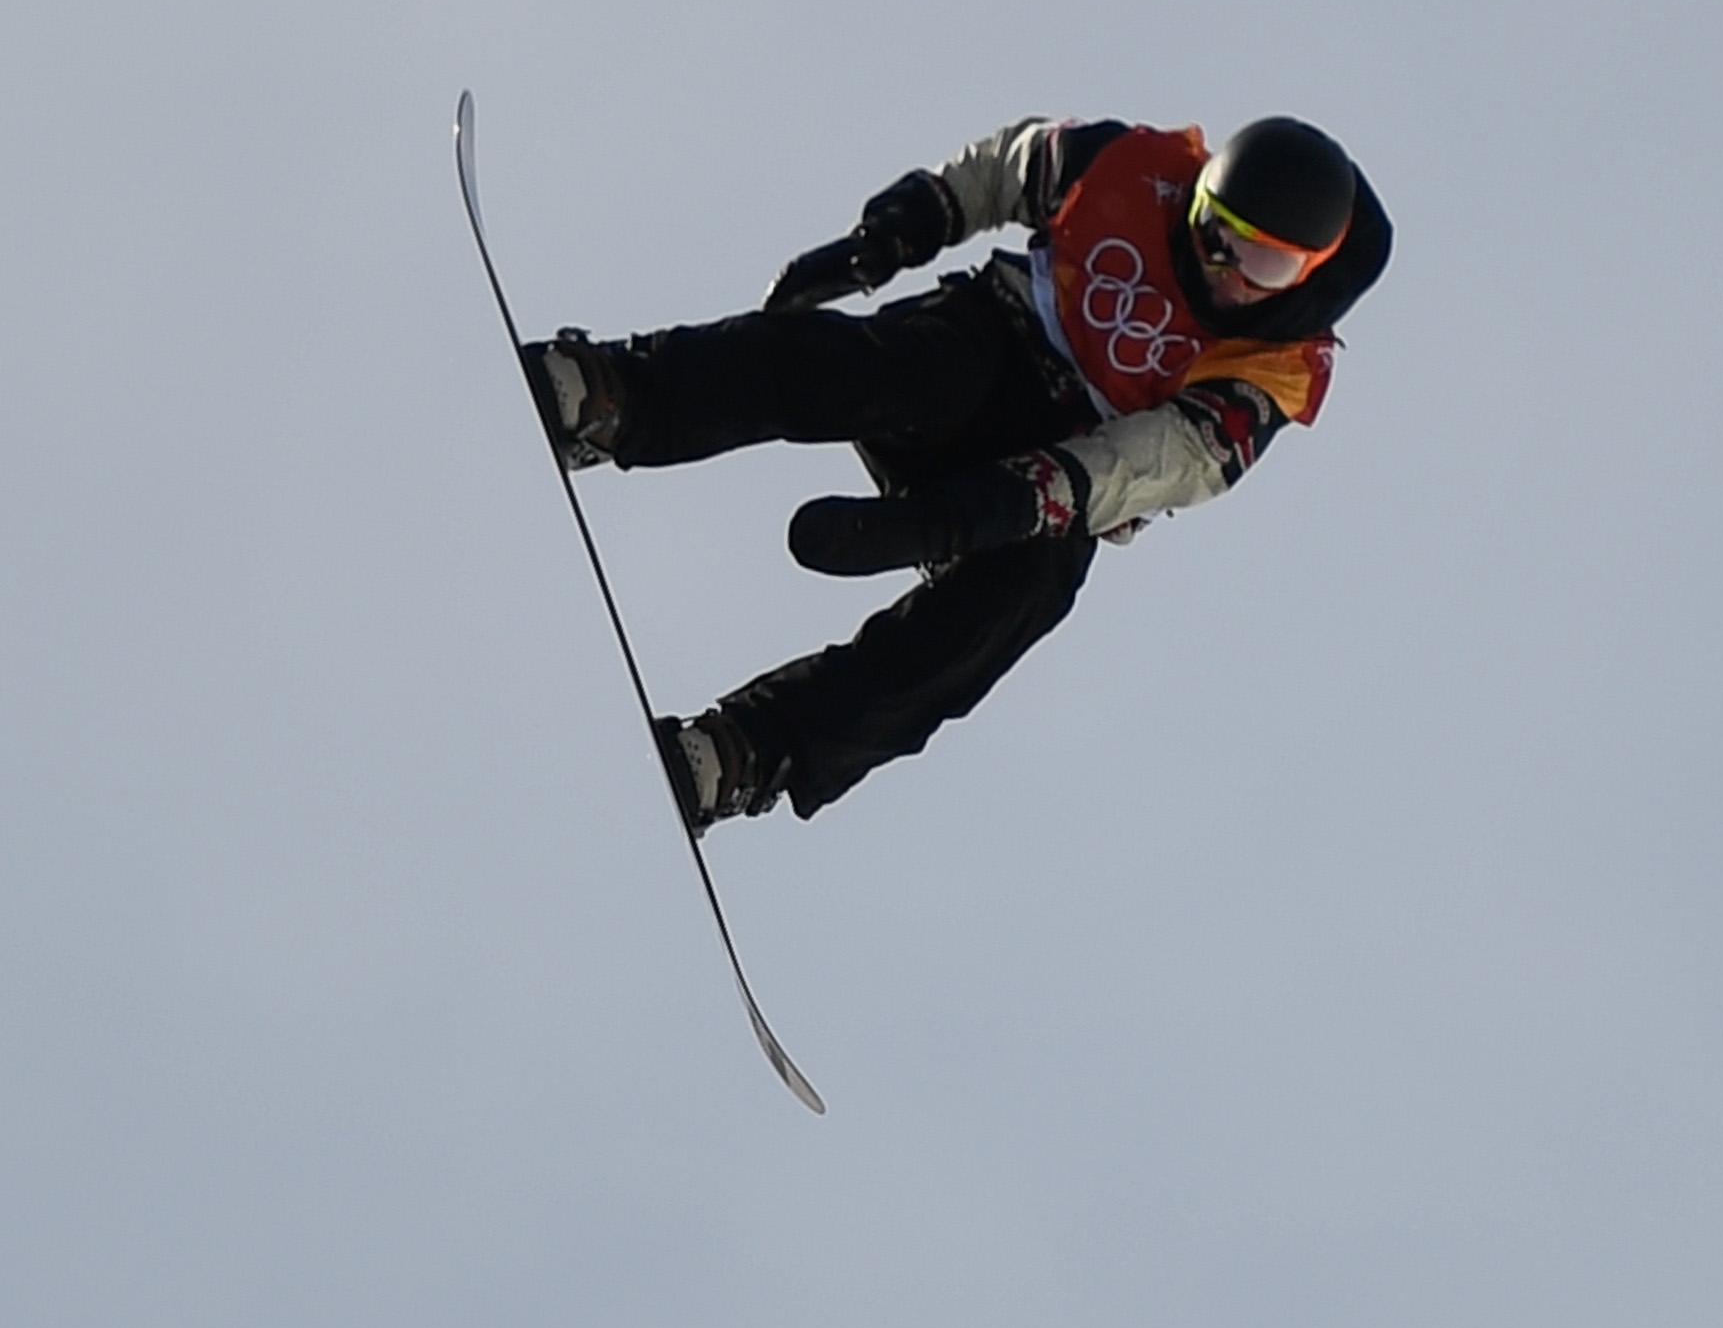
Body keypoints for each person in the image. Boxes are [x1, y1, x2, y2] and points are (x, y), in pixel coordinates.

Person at [523, 115, 1391, 829]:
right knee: (884, 366)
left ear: (1305, 274)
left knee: (1023, 597)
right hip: (996, 340)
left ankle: (752, 748)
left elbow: (1153, 465)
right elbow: (1003, 169)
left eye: (1263, 263)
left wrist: (983, 512)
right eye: (1213, 230)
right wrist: (892, 233)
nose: (1222, 266)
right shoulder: (1138, 166)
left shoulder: (1281, 365)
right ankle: (611, 394)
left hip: (1066, 461)